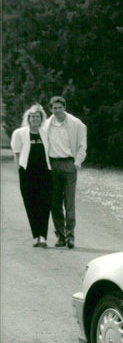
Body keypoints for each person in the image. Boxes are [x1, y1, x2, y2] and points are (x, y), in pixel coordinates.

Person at [43, 96, 87, 249]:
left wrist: (77, 162)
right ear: (51, 109)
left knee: (69, 202)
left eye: (59, 108)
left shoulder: (76, 124)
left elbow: (82, 145)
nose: (57, 111)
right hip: (53, 165)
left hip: (69, 164)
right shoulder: (47, 125)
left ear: (64, 107)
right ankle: (60, 236)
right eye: (54, 108)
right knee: (55, 203)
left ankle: (70, 237)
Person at [10, 103, 53, 247]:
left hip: (45, 173)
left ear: (42, 118)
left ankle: (43, 237)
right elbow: (16, 153)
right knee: (31, 204)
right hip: (27, 173)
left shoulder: (46, 133)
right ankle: (36, 236)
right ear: (28, 118)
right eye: (32, 117)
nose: (35, 119)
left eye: (37, 117)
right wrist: (19, 171)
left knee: (44, 204)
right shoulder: (19, 133)